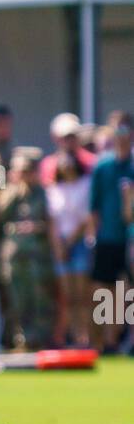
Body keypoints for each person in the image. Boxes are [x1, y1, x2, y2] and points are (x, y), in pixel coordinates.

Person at [0, 149, 55, 351]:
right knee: (16, 301)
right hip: (14, 256)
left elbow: (52, 222)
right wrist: (14, 187)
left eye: (28, 170)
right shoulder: (10, 192)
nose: (24, 174)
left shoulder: (44, 193)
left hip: (37, 257)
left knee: (40, 300)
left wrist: (37, 226)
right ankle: (20, 339)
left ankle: (39, 338)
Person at [88, 116, 134, 352]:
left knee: (129, 291)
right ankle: (109, 340)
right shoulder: (102, 166)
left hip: (131, 237)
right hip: (108, 237)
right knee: (105, 291)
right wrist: (93, 236)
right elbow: (94, 206)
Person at [46, 151, 93, 347]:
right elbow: (52, 221)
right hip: (60, 244)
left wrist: (71, 241)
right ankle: (73, 336)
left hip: (80, 242)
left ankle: (86, 336)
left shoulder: (85, 185)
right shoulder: (52, 190)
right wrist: (59, 246)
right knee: (68, 296)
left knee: (82, 295)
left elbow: (86, 218)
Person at [39, 113, 96, 187]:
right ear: (55, 138)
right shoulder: (48, 165)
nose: (70, 140)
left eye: (73, 135)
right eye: (66, 137)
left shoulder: (91, 162)